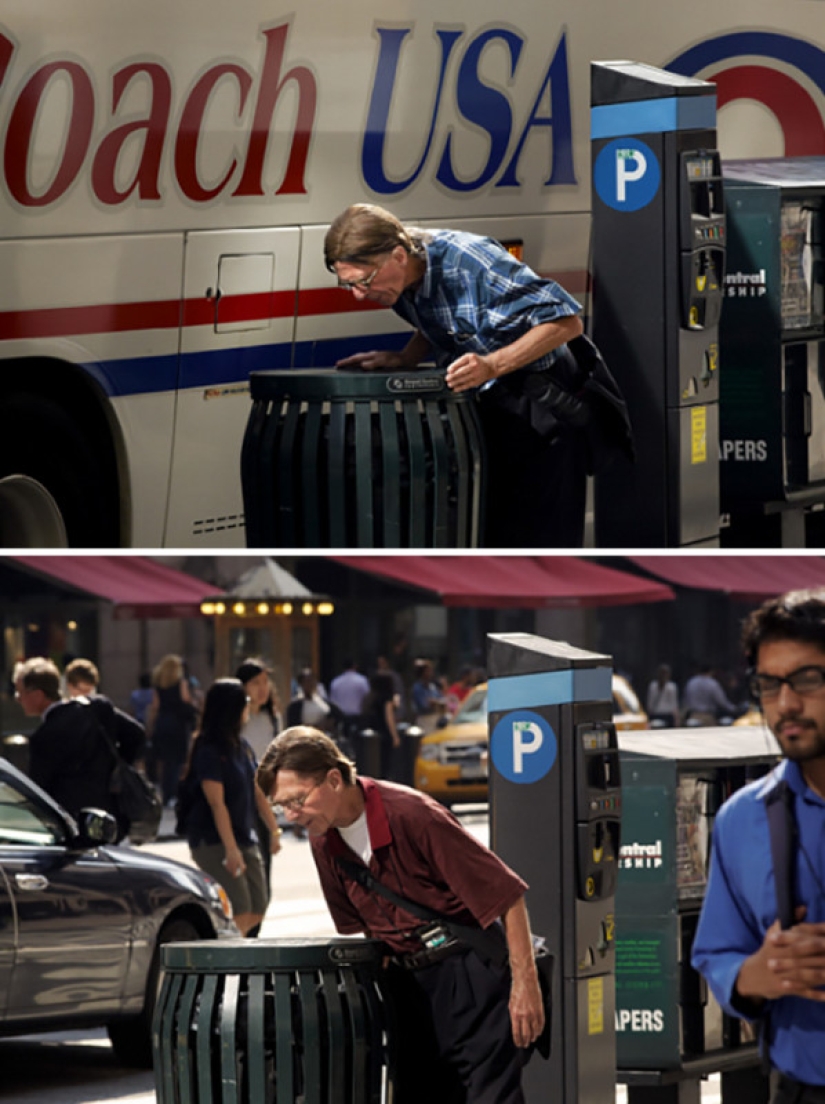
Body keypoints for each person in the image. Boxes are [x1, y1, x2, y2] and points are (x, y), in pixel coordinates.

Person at [256, 726, 544, 1104]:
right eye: (282, 807)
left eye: (297, 800)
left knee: (491, 1096)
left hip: (468, 973)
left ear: (333, 779)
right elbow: (361, 928)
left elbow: (506, 896)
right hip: (407, 986)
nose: (292, 815)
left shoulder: (413, 814)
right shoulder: (322, 839)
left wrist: (525, 985)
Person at [324, 202, 632, 546]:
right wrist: (407, 356)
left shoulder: (470, 261)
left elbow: (565, 322)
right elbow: (444, 314)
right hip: (485, 405)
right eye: (348, 284)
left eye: (363, 281)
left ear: (398, 255)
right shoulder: (397, 283)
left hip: (540, 406)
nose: (359, 294)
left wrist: (493, 365)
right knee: (491, 530)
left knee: (541, 536)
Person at [691, 588, 825, 1102]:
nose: (786, 704)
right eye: (769, 685)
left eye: (807, 680)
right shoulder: (743, 818)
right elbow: (718, 954)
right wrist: (756, 975)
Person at [182, 678, 282, 938]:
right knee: (240, 907)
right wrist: (230, 850)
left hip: (243, 836)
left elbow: (258, 792)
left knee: (259, 905)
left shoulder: (241, 746)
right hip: (214, 840)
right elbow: (217, 804)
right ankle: (222, 957)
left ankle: (230, 949)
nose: (248, 708)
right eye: (244, 703)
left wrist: (273, 829)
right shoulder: (208, 749)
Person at [14, 657, 115, 823]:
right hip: (104, 814)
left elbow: (40, 791)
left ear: (38, 695)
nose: (18, 699)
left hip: (70, 821)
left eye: (21, 693)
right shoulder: (91, 710)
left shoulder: (44, 736)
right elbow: (136, 734)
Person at [236, 658, 283, 907]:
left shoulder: (273, 719)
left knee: (263, 880)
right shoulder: (236, 720)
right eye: (255, 683)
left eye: (265, 682)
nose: (262, 688)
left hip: (263, 801)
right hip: (240, 801)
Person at [148, 654, 196, 805]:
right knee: (176, 761)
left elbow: (155, 707)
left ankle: (166, 793)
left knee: (165, 761)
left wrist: (151, 725)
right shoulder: (181, 682)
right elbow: (186, 699)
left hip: (163, 723)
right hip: (178, 724)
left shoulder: (159, 685)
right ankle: (173, 794)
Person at [361, 670, 401, 780]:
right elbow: (389, 717)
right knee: (386, 765)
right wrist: (395, 736)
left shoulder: (370, 698)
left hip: (374, 734)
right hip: (385, 734)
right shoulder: (386, 698)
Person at [411, 658, 447, 734]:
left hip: (436, 719)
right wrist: (435, 703)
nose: (431, 673)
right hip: (424, 720)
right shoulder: (418, 687)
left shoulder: (432, 686)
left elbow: (442, 700)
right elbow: (425, 705)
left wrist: (435, 702)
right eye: (428, 671)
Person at [645, 663, 681, 727]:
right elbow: (674, 705)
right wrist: (677, 719)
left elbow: (649, 704)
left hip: (656, 715)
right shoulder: (671, 687)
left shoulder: (653, 686)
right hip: (667, 716)